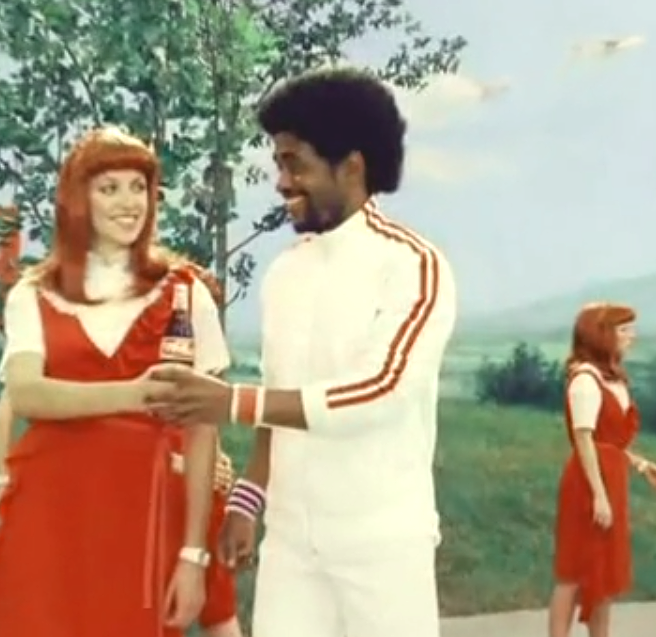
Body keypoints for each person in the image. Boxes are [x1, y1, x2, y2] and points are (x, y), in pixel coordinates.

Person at [146, 66, 458, 637]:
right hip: (290, 547)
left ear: (352, 166)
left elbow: (380, 393)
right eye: (278, 163)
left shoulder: (413, 264)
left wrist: (230, 402)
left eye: (296, 164)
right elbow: (280, 399)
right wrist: (247, 499)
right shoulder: (285, 275)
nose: (281, 182)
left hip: (382, 546)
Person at [0, 126, 228, 637]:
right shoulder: (34, 292)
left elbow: (202, 429)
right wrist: (136, 394)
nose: (128, 202)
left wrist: (193, 554)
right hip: (50, 511)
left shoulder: (186, 292)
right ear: (78, 199)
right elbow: (27, 393)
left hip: (146, 508)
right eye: (109, 188)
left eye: (139, 187)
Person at [0, 386, 244, 637]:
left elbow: (4, 414)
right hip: (156, 478)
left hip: (158, 480)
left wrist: (4, 482)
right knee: (206, 605)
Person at [548, 303, 656, 637]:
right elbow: (584, 439)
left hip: (610, 478)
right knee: (574, 570)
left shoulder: (612, 379)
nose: (632, 337)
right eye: (624, 330)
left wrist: (640, 464)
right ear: (602, 335)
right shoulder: (585, 380)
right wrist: (599, 494)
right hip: (588, 482)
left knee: (603, 572)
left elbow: (608, 442)